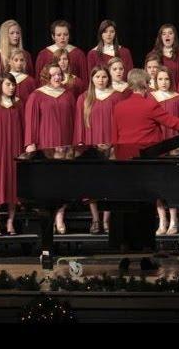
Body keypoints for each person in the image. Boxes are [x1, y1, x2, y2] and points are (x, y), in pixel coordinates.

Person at [111, 69, 179, 250]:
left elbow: (115, 139)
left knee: (128, 207)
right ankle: (145, 248)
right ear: (145, 84)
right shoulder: (150, 105)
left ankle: (126, 247)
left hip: (125, 165)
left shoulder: (118, 107)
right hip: (147, 164)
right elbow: (178, 125)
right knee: (145, 208)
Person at [73, 66, 127, 234]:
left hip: (112, 147)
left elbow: (122, 123)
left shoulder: (117, 97)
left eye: (104, 76)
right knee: (92, 183)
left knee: (110, 184)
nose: (101, 80)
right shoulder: (84, 98)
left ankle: (106, 220)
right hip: (91, 146)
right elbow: (79, 124)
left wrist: (115, 144)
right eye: (97, 77)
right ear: (92, 79)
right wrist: (82, 145)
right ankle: (95, 219)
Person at [24, 63, 76, 234]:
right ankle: (49, 218)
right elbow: (31, 121)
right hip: (45, 142)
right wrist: (30, 143)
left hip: (66, 142)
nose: (57, 77)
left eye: (59, 74)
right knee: (49, 182)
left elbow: (74, 120)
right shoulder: (36, 96)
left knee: (64, 181)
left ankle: (60, 214)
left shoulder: (68, 95)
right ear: (47, 76)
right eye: (53, 74)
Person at [0, 73, 24, 236]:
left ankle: (10, 221)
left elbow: (23, 127)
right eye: (8, 84)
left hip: (15, 149)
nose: (11, 87)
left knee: (13, 186)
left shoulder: (19, 103)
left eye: (13, 84)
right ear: (0, 84)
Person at [151, 66, 179, 235]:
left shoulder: (178, 99)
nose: (164, 83)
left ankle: (174, 220)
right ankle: (162, 220)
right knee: (157, 185)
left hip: (174, 144)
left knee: (171, 184)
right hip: (157, 143)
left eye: (166, 79)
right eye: (160, 79)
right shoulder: (150, 98)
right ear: (155, 81)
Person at [0, 19, 34, 97]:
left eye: (17, 33)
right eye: (12, 33)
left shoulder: (26, 55)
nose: (15, 36)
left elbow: (31, 80)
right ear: (5, 35)